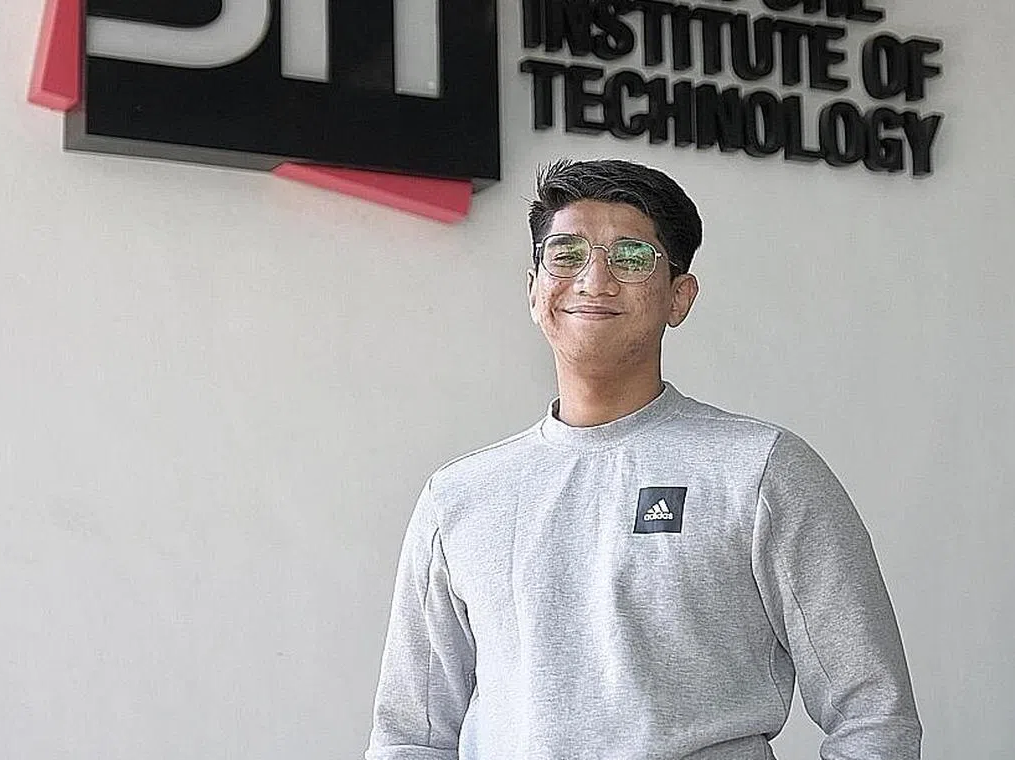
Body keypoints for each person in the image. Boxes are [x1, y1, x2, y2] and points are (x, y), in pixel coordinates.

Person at [365, 159, 921, 759]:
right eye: (566, 254)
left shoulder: (760, 471)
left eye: (631, 258)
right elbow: (410, 738)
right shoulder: (458, 498)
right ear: (534, 291)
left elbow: (874, 714)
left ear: (679, 297)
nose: (594, 280)